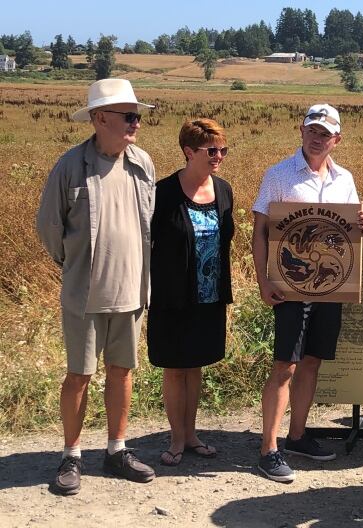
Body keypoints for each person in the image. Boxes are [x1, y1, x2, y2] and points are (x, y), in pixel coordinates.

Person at [36, 79, 156, 495]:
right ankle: (72, 455)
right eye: (129, 116)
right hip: (84, 295)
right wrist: (73, 268)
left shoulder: (143, 163)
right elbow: (49, 228)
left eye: (138, 117)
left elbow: (147, 225)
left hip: (132, 291)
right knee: (79, 375)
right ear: (99, 118)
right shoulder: (69, 165)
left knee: (122, 373)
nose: (136, 124)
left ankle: (116, 450)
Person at [251, 104, 363, 482]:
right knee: (285, 365)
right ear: (301, 131)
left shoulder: (345, 179)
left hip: (330, 287)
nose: (318, 137)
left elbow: (348, 233)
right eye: (312, 130)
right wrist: (263, 280)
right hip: (290, 285)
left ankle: (298, 435)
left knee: (313, 361)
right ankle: (268, 449)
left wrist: (362, 223)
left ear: (337, 139)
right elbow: (259, 232)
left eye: (326, 132)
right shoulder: (279, 175)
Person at [147, 119, 235, 466]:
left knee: (196, 365)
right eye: (211, 150)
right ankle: (176, 438)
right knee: (175, 368)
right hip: (171, 296)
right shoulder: (163, 193)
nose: (218, 156)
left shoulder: (224, 190)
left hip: (210, 296)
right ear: (188, 152)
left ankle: (192, 433)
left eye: (222, 150)